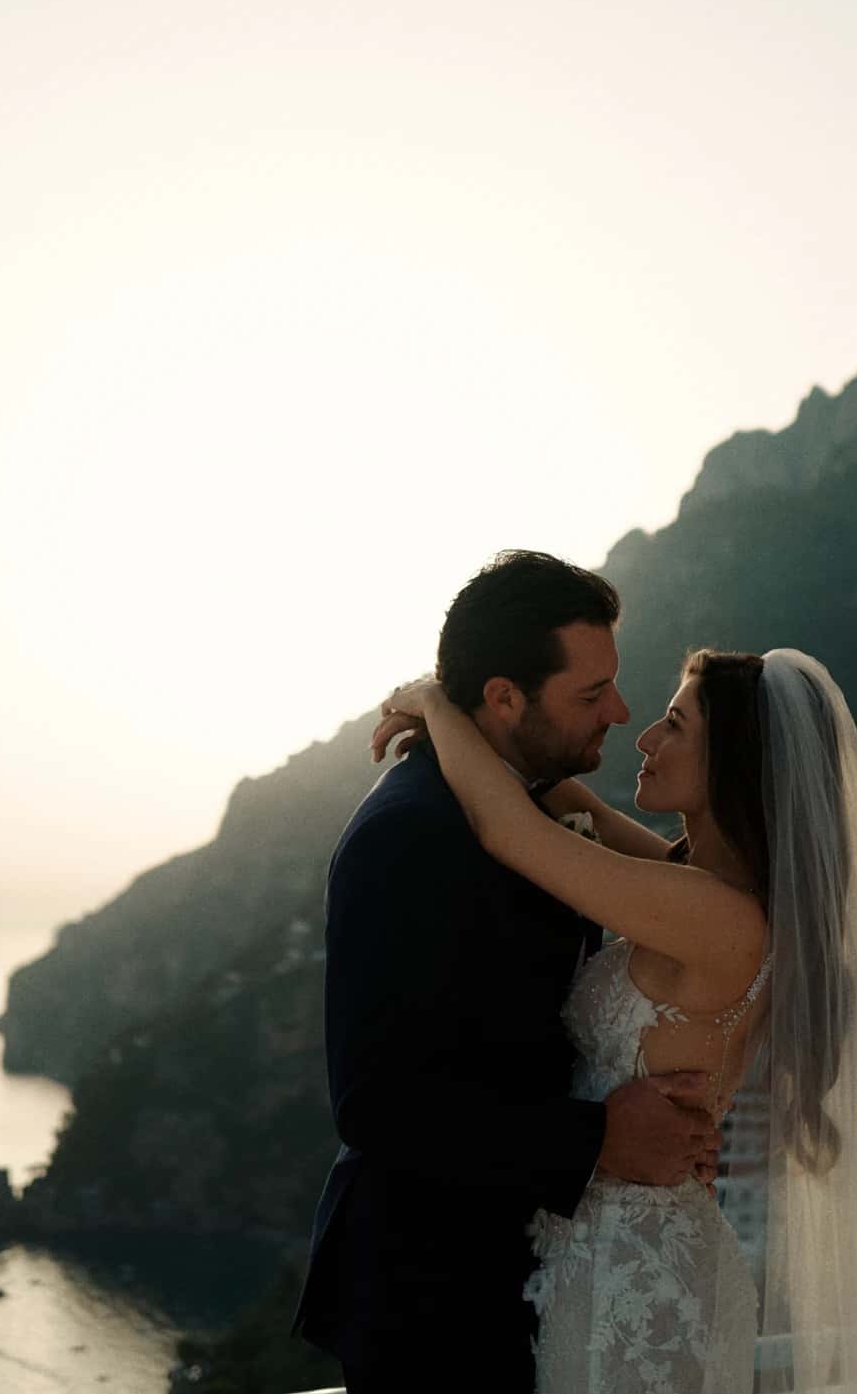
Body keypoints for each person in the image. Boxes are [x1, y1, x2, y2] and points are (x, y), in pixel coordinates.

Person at [372, 643, 857, 1393]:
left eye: (674, 724)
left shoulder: (715, 916)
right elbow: (622, 841)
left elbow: (510, 831)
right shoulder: (725, 897)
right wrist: (547, 770)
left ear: (731, 760)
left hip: (637, 1279)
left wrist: (435, 700)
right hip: (629, 1255)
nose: (644, 738)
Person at [293, 551, 726, 1392]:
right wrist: (598, 1137)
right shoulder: (408, 832)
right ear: (503, 698)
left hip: (533, 1275)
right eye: (592, 694)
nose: (621, 712)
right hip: (432, 1299)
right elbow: (376, 1101)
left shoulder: (533, 801)